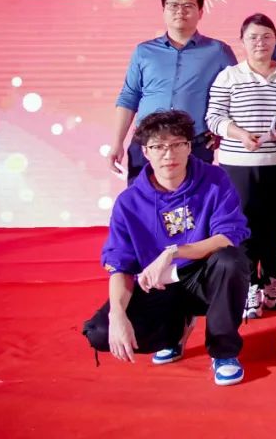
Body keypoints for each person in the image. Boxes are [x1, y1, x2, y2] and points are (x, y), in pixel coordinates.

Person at [82, 110, 251, 386]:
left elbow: (228, 236)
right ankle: (173, 333)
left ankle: (224, 352)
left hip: (205, 278)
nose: (168, 154)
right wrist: (117, 314)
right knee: (100, 332)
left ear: (189, 146)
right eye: (158, 147)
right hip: (160, 286)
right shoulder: (129, 202)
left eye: (177, 144)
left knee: (230, 261)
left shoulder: (215, 180)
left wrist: (173, 251)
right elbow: (120, 265)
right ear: (145, 152)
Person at [205, 13, 276, 320]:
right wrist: (240, 134)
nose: (260, 43)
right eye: (253, 37)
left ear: (275, 39)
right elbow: (213, 118)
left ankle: (271, 279)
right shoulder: (229, 76)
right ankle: (249, 284)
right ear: (242, 41)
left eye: (266, 36)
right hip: (238, 165)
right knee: (243, 225)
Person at [110, 0, 236, 182]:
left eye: (188, 6)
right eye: (174, 5)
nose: (180, 11)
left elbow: (235, 95)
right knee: (142, 199)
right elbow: (129, 96)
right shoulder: (144, 51)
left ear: (200, 12)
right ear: (164, 10)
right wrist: (117, 142)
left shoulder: (218, 51)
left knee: (193, 199)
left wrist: (221, 129)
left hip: (194, 143)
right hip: (147, 142)